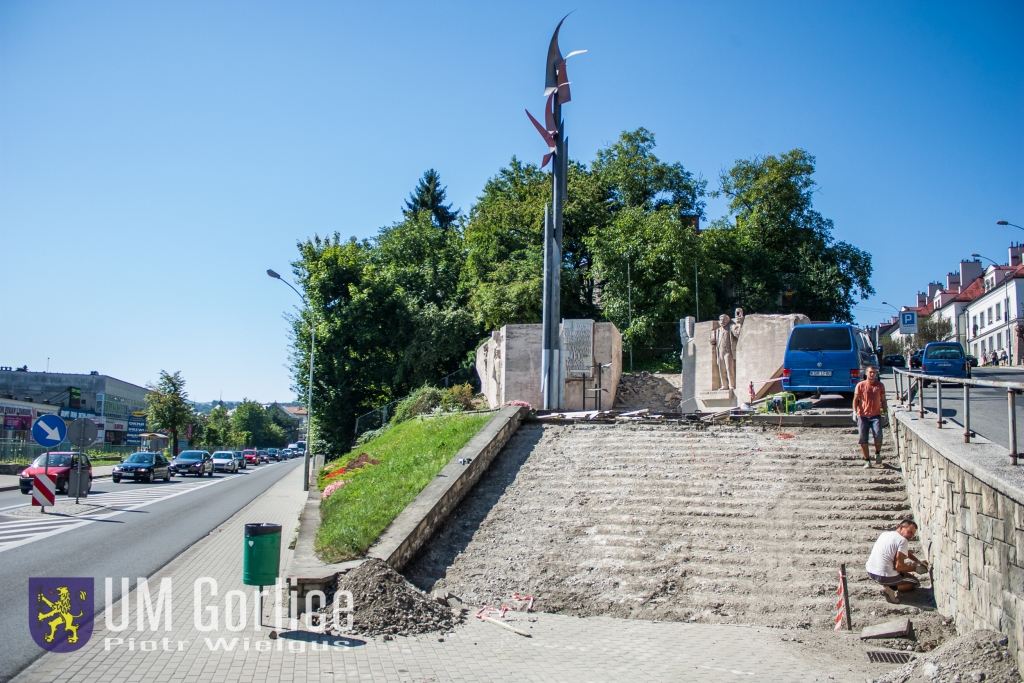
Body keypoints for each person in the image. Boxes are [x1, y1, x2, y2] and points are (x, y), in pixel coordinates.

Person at [866, 518, 929, 603]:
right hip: (883, 576)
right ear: (901, 527)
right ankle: (889, 589)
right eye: (909, 532)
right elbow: (899, 567)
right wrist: (915, 568)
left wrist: (918, 561)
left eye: (913, 534)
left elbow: (904, 551)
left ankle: (889, 584)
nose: (910, 536)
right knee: (915, 582)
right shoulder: (903, 540)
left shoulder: (885, 534)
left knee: (902, 573)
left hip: (871, 571)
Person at [853, 365, 887, 468]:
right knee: (863, 438)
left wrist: (885, 412)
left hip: (876, 415)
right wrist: (855, 412)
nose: (872, 374)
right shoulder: (860, 385)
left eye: (874, 372)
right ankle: (867, 460)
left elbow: (883, 400)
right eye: (870, 372)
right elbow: (855, 400)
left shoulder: (879, 386)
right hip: (863, 415)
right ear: (866, 373)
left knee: (878, 436)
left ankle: (877, 453)